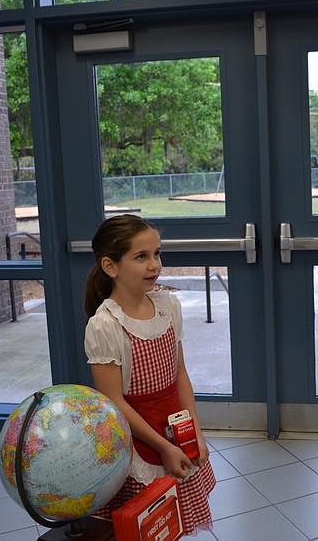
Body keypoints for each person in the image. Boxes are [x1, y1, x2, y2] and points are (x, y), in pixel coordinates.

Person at [83, 214, 215, 536]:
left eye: (156, 254)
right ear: (110, 266)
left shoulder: (169, 307)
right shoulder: (105, 325)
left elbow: (180, 374)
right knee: (145, 524)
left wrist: (194, 431)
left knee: (174, 522)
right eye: (141, 257)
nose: (154, 265)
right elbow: (113, 401)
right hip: (138, 442)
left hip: (177, 432)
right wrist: (163, 448)